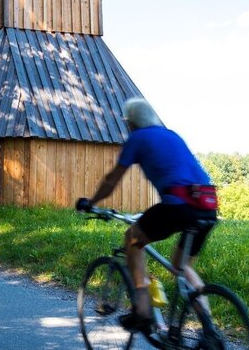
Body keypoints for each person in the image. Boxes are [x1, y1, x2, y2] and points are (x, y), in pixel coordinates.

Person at [76, 97, 217, 334]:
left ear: (130, 123)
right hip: (207, 207)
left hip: (176, 205)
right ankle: (209, 329)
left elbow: (112, 180)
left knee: (133, 239)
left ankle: (141, 311)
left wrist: (91, 202)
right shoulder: (172, 135)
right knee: (180, 267)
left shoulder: (138, 138)